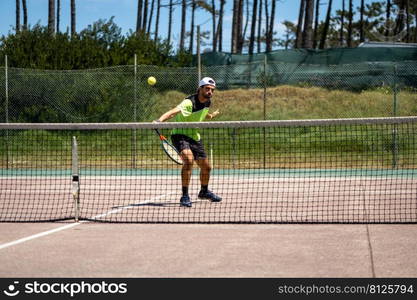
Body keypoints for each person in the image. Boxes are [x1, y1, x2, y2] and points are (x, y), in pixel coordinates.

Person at [154, 77, 222, 207]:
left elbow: (204, 113)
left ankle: (204, 191)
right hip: (180, 134)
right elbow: (173, 111)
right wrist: (159, 121)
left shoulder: (208, 102)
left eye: (212, 90)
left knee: (207, 167)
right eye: (207, 89)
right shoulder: (189, 102)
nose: (210, 92)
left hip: (194, 136)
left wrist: (211, 116)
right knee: (188, 160)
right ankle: (184, 196)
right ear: (200, 89)